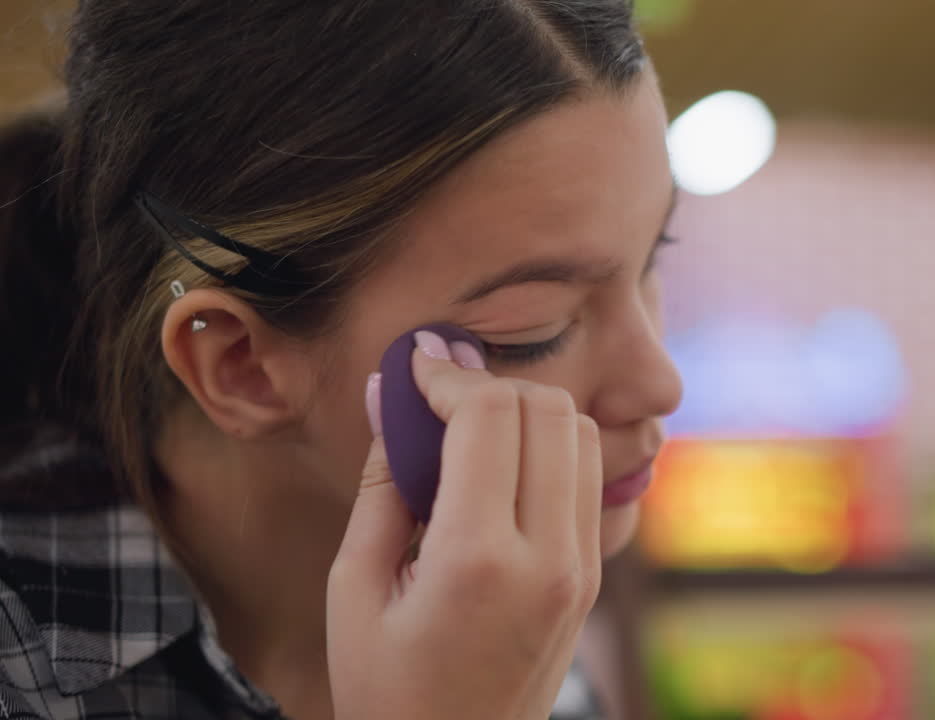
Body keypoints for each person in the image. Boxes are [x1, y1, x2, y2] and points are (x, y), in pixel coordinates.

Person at [0, 1, 683, 718]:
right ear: (240, 365)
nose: (659, 383)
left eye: (652, 263)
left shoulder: (517, 650)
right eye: (531, 329)